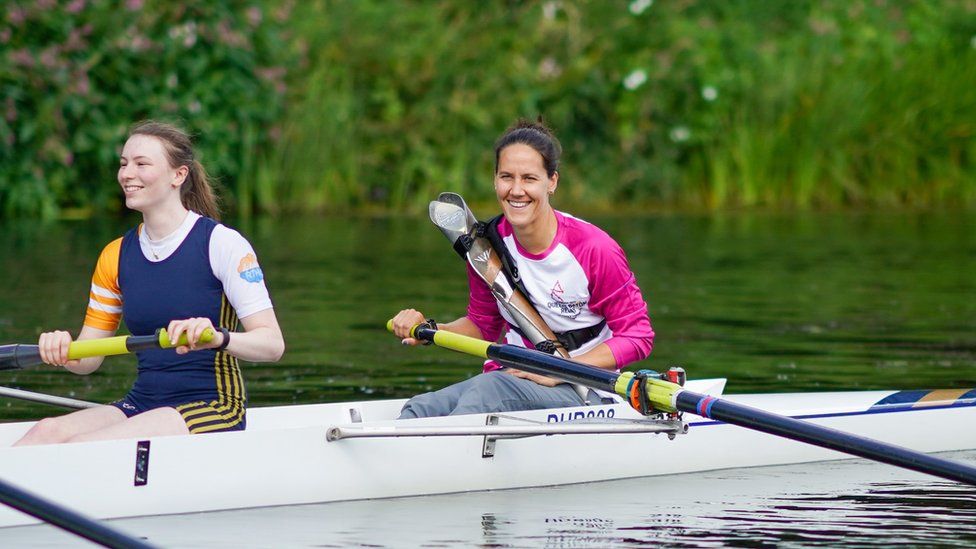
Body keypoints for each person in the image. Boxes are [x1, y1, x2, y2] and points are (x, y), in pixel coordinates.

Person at [14, 120, 285, 445]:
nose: (127, 174)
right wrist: (62, 349)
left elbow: (272, 344)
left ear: (178, 175)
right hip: (143, 402)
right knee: (45, 432)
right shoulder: (114, 256)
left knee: (83, 447)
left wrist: (217, 337)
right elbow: (87, 360)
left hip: (215, 406)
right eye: (124, 164)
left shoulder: (222, 244)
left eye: (141, 164)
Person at [390, 119, 653, 418]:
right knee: (420, 408)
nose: (516, 190)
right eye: (507, 177)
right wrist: (429, 330)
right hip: (507, 378)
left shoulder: (594, 248)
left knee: (487, 394)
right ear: (495, 180)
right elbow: (483, 327)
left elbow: (638, 336)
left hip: (584, 390)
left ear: (551, 182)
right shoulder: (485, 247)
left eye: (529, 178)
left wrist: (561, 369)